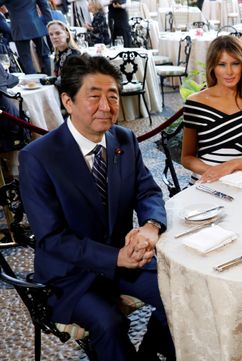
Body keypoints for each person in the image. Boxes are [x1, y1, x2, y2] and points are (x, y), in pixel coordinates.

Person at [18, 54, 176, 361]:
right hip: (71, 274)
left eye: (112, 96)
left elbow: (147, 191)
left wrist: (150, 227)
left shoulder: (124, 139)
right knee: (109, 323)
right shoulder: (38, 157)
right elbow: (52, 238)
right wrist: (114, 256)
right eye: (94, 97)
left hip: (126, 261)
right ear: (68, 101)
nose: (106, 106)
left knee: (179, 291)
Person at [181, 35, 242, 184]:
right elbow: (186, 158)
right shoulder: (195, 102)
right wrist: (214, 172)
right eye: (222, 64)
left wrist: (231, 166)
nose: (229, 72)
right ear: (213, 66)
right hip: (205, 181)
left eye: (235, 63)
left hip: (240, 181)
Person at [0, 0, 52, 75]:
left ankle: (33, 83)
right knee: (45, 54)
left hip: (19, 28)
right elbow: (44, 5)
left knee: (26, 59)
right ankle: (49, 79)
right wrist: (50, 23)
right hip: (36, 25)